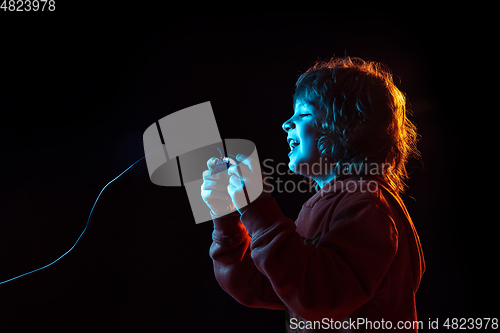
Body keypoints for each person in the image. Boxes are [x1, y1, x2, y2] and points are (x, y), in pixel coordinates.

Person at [201, 57, 425, 332]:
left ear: (347, 129)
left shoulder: (368, 205)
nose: (286, 123)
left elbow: (320, 296)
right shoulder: (323, 205)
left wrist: (257, 208)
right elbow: (260, 286)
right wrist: (227, 220)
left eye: (304, 114)